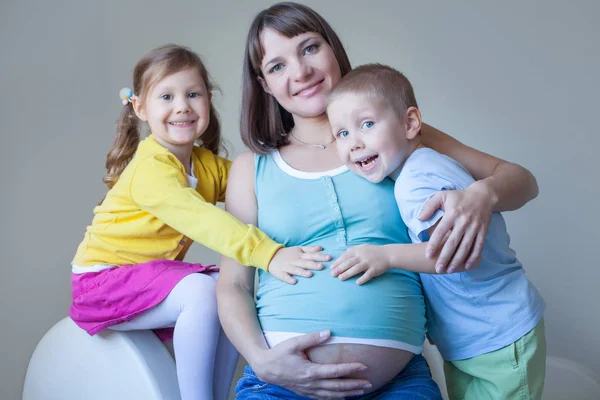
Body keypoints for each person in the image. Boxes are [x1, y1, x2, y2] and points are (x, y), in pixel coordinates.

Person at [217, 2, 539, 399]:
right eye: (277, 66)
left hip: (397, 381)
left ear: (333, 49)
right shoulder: (252, 168)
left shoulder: (390, 133)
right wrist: (261, 360)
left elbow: (521, 181)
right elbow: (233, 283)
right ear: (264, 84)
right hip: (280, 382)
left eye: (309, 48)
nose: (300, 72)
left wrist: (482, 194)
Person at [69, 44, 328, 400]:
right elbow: (205, 221)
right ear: (141, 108)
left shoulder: (203, 164)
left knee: (225, 288)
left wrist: (311, 177)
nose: (182, 106)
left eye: (193, 94)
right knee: (202, 290)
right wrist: (269, 254)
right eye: (166, 96)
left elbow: (256, 183)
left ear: (208, 100)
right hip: (100, 283)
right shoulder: (151, 168)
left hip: (143, 280)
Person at [327, 63, 546, 399]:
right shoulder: (424, 165)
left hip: (497, 337)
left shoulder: (416, 182)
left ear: (411, 123)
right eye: (342, 133)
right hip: (476, 338)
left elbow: (452, 255)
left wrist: (383, 256)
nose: (354, 143)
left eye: (367, 125)